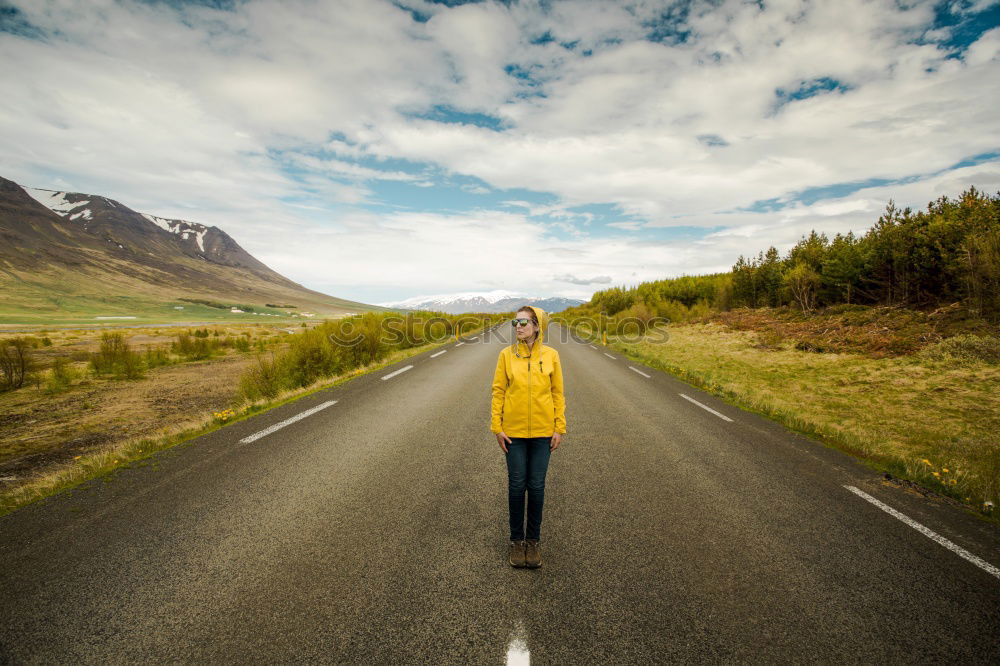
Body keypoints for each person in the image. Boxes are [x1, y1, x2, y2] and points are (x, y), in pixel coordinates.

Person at [490, 304, 566, 569]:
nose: (518, 327)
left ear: (537, 326)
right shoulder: (505, 355)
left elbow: (557, 393)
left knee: (536, 487)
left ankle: (532, 541)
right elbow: (498, 391)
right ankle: (515, 540)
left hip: (544, 433)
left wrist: (559, 427)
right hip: (514, 433)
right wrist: (496, 427)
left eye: (524, 322)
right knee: (516, 485)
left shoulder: (552, 355)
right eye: (516, 323)